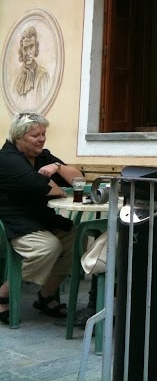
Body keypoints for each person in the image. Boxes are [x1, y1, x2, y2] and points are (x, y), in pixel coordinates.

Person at [0, 112, 81, 323]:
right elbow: (45, 188)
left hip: (40, 218)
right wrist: (58, 188)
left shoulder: (43, 156)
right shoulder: (7, 159)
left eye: (43, 134)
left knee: (74, 237)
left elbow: (79, 180)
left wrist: (58, 167)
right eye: (35, 135)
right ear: (19, 137)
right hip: (13, 220)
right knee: (48, 247)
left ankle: (46, 296)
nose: (42, 139)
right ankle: (3, 294)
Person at [13, 26, 51, 107]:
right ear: (21, 50)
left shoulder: (43, 75)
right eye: (25, 48)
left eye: (31, 47)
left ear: (36, 47)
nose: (28, 53)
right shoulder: (16, 77)